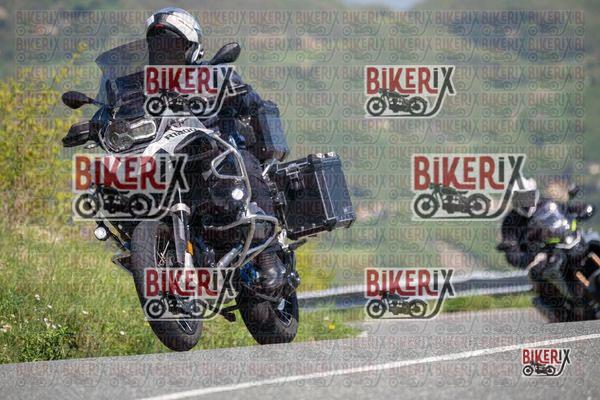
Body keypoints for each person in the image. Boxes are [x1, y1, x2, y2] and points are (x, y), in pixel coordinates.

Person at [145, 8, 286, 294]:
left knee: (245, 165)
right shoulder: (146, 88)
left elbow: (249, 99)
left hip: (219, 153)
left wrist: (236, 90)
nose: (165, 52)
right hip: (174, 161)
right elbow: (120, 109)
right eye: (158, 46)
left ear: (191, 48)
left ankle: (269, 255)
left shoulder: (211, 74)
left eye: (172, 45)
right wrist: (99, 120)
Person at [499, 177, 593, 301]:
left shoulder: (549, 204)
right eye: (520, 198)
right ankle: (562, 305)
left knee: (592, 238)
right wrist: (529, 257)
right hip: (543, 256)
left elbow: (568, 210)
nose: (525, 201)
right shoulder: (510, 222)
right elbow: (512, 253)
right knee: (538, 274)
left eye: (527, 196)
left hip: (567, 242)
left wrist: (583, 209)